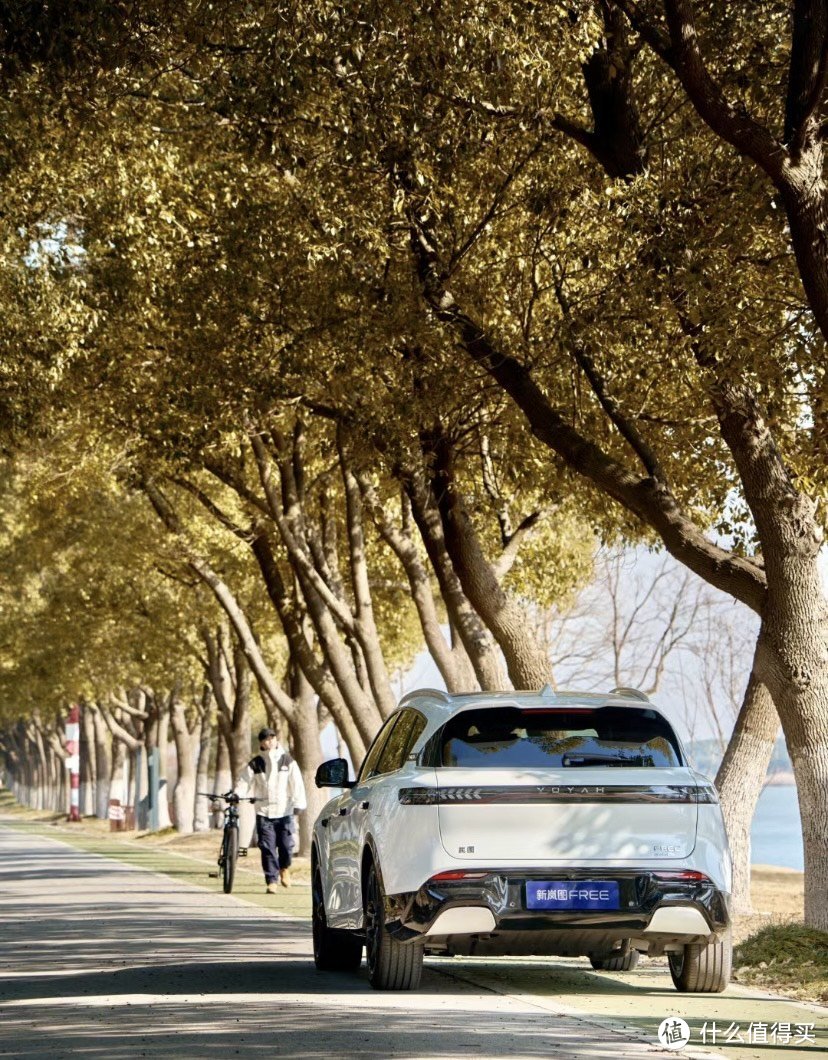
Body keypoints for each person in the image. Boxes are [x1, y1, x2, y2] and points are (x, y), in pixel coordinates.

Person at [235, 726, 307, 893]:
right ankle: (271, 880)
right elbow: (244, 782)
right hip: (264, 812)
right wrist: (238, 794)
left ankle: (284, 869)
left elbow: (296, 784)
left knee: (286, 846)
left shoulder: (287, 761)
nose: (270, 741)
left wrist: (299, 804)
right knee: (267, 847)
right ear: (262, 743)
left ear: (276, 740)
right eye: (266, 739)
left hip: (285, 811)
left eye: (272, 738)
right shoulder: (255, 763)